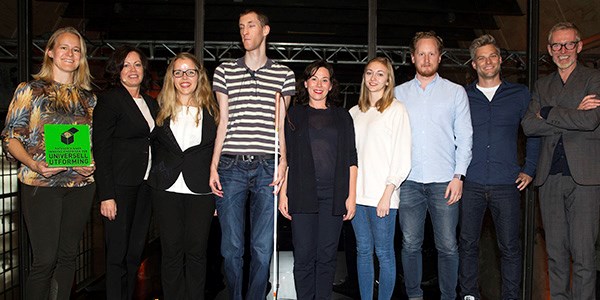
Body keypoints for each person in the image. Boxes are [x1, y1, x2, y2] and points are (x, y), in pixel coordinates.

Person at [1, 27, 96, 300]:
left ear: (81, 57)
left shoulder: (88, 99)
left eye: (76, 49)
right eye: (64, 48)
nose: (70, 53)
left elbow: (88, 144)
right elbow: (10, 138)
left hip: (80, 185)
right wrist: (34, 163)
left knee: (68, 258)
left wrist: (90, 164)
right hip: (40, 184)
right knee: (44, 260)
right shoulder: (30, 91)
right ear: (50, 53)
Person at [209, 9, 295, 300]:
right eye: (241, 26)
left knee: (262, 247)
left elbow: (281, 124)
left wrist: (284, 161)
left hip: (267, 167)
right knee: (231, 248)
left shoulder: (283, 74)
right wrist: (213, 167)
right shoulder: (224, 71)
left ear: (265, 30)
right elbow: (222, 121)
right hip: (231, 165)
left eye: (251, 25)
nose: (245, 31)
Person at [521, 22, 600, 300]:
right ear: (549, 50)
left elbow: (590, 121)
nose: (562, 50)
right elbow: (529, 126)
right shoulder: (542, 84)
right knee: (555, 253)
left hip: (585, 179)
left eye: (568, 44)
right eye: (556, 45)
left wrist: (549, 112)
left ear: (579, 46)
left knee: (583, 256)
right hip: (549, 178)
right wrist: (571, 114)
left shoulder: (594, 79)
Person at [459, 34, 540, 300]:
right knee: (468, 245)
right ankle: (470, 295)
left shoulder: (519, 93)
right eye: (481, 58)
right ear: (474, 64)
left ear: (501, 60)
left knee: (510, 248)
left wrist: (529, 168)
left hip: (507, 184)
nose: (488, 61)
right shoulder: (463, 96)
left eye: (492, 56)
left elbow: (533, 132)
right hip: (470, 182)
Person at [394, 31, 472, 300]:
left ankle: (448, 297)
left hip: (445, 182)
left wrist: (458, 176)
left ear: (440, 57)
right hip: (408, 182)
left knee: (448, 246)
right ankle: (414, 296)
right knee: (409, 244)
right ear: (413, 57)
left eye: (431, 53)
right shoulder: (397, 94)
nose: (426, 59)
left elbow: (465, 137)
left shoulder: (455, 92)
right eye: (421, 53)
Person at [278, 60, 357, 299]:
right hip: (302, 194)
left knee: (327, 257)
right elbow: (287, 158)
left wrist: (351, 197)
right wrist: (283, 193)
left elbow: (352, 159)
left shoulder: (343, 117)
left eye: (324, 79)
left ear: (331, 85)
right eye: (314, 79)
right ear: (306, 83)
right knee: (303, 256)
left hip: (334, 196)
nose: (319, 84)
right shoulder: (294, 115)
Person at [147, 52, 219, 300]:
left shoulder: (214, 112)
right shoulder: (158, 109)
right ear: (171, 77)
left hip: (202, 190)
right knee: (171, 252)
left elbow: (220, 155)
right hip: (165, 189)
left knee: (197, 252)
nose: (184, 77)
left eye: (190, 72)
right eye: (178, 72)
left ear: (199, 76)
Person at [92, 45, 157, 300]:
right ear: (117, 70)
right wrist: (106, 195)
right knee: (117, 255)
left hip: (145, 186)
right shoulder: (110, 100)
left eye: (137, 65)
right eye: (126, 65)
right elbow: (101, 147)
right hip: (119, 187)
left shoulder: (151, 103)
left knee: (134, 253)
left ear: (144, 70)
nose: (132, 70)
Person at [350, 57, 412, 299]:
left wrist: (388, 193)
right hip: (357, 195)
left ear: (388, 80)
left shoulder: (397, 110)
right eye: (369, 73)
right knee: (363, 251)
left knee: (384, 254)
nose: (373, 78)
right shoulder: (354, 112)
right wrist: (349, 194)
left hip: (383, 197)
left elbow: (402, 156)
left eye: (380, 74)